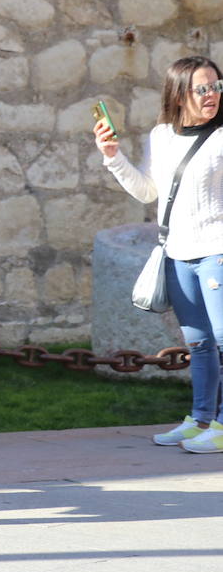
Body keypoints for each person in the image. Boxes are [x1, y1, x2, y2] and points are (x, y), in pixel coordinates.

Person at [95, 56, 223, 453]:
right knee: (199, 343)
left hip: (217, 252)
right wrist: (113, 156)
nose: (212, 96)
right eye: (202, 88)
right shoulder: (162, 135)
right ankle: (201, 418)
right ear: (179, 92)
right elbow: (149, 192)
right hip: (177, 253)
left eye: (217, 86)